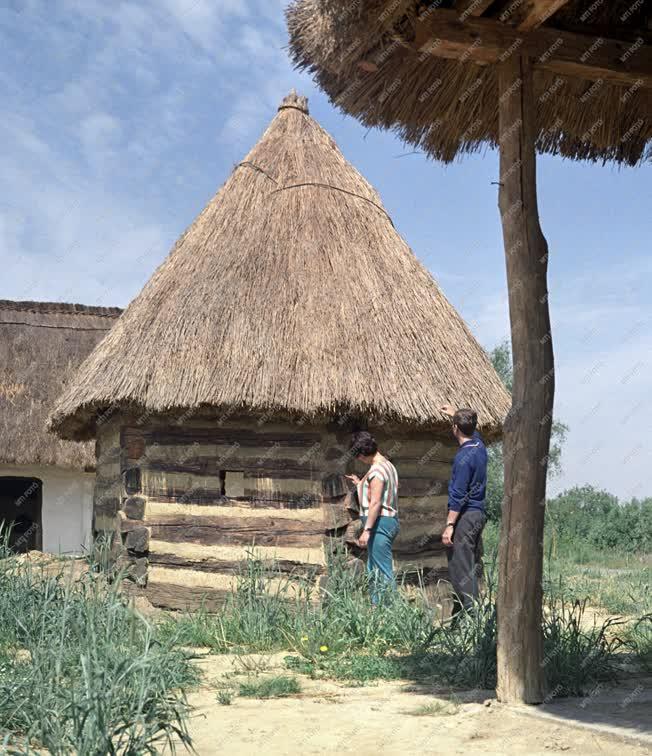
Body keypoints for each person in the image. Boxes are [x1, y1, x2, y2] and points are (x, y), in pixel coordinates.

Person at [440, 404, 488, 619]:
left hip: (465, 517)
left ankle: (472, 621)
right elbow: (473, 433)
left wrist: (449, 525)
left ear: (455, 429)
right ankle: (460, 621)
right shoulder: (480, 447)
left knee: (461, 570)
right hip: (478, 514)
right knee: (469, 566)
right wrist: (456, 416)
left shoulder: (462, 459)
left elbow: (458, 496)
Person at [345, 431, 400, 604]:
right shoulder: (387, 466)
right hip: (386, 522)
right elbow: (379, 492)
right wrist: (360, 484)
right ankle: (378, 611)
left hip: (379, 523)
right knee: (374, 569)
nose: (360, 460)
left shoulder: (376, 471)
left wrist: (367, 530)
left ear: (362, 454)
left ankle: (390, 615)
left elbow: (376, 503)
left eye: (359, 457)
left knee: (382, 572)